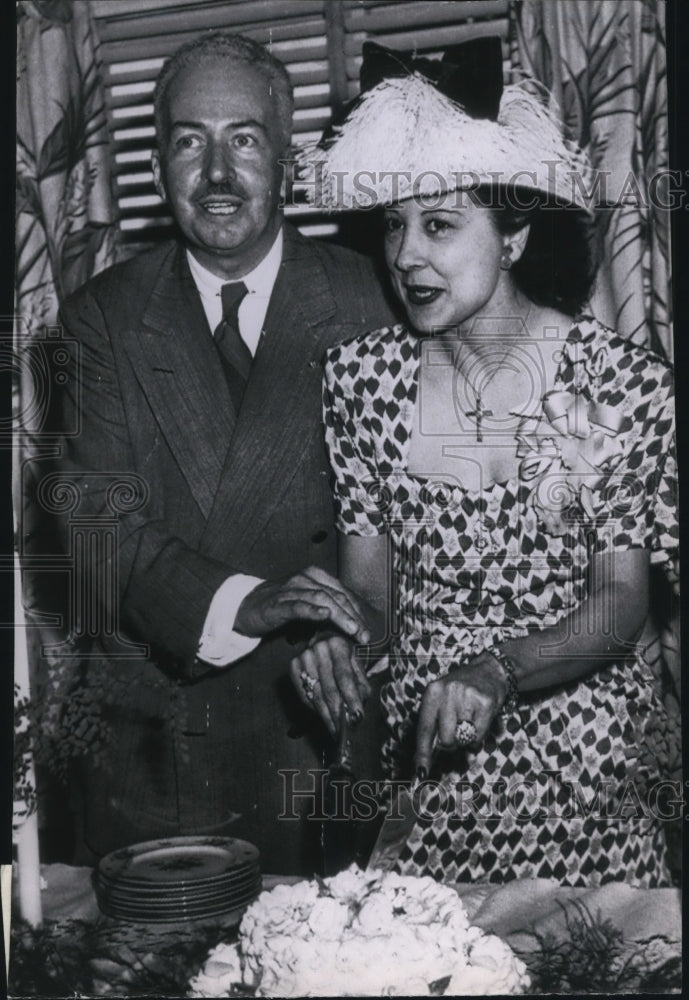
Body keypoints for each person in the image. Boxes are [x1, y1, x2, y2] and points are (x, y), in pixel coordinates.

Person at [290, 40, 678, 886]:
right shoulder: (359, 380)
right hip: (430, 767)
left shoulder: (618, 382)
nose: (405, 257)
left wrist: (496, 668)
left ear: (512, 235)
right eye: (392, 224)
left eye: (439, 225)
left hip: (586, 775)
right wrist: (339, 639)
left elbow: (616, 605)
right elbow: (372, 594)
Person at [54, 31, 394, 873]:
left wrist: (362, 626)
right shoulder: (95, 320)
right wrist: (254, 601)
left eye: (243, 139)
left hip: (324, 744)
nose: (215, 174)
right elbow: (94, 539)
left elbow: (425, 522)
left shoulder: (376, 295)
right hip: (160, 764)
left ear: (286, 160)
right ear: (157, 165)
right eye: (187, 141)